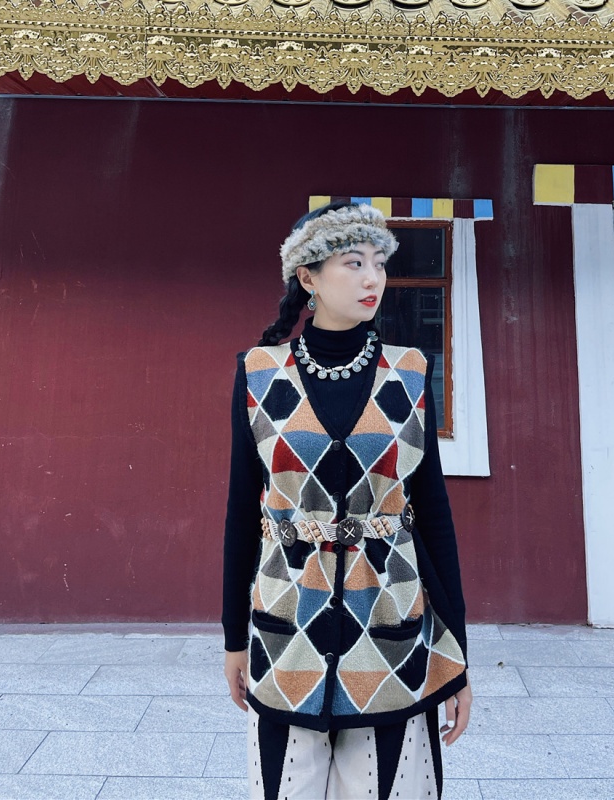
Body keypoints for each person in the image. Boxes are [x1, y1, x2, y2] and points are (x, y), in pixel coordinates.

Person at [222, 201, 472, 800]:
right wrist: (234, 637)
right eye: (353, 262)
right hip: (286, 627)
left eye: (379, 263)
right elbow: (241, 512)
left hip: (389, 625)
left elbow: (434, 516)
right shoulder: (259, 374)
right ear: (307, 277)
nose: (372, 278)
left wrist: (459, 655)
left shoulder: (409, 374)